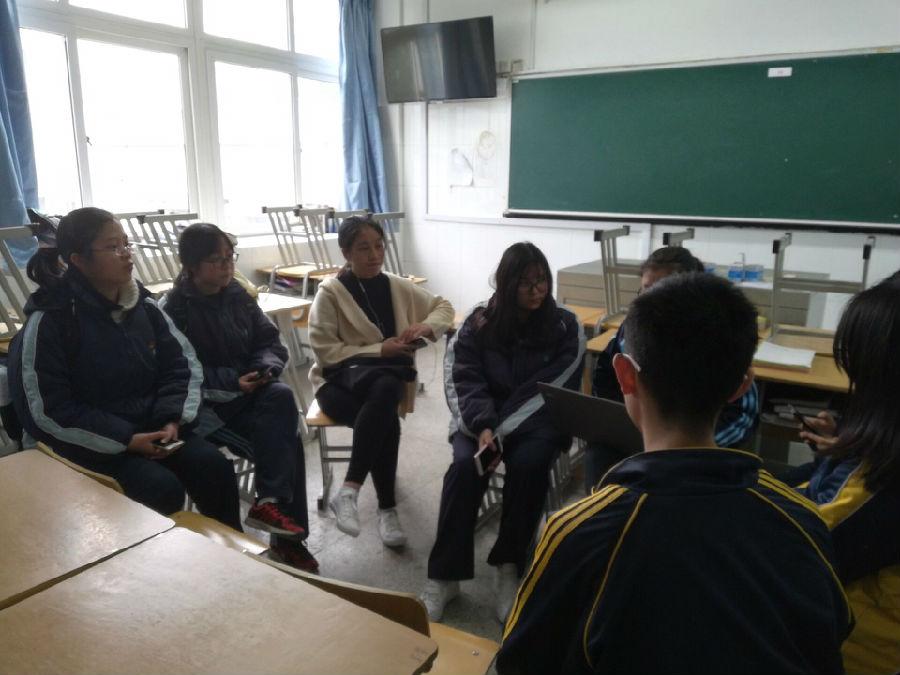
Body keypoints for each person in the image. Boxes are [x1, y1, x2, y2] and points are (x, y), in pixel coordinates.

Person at [496, 272, 851, 674]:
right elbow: (829, 639)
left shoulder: (576, 532)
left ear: (625, 376)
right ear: (741, 386)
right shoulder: (802, 518)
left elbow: (518, 663)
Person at [7, 207, 241, 529]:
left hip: (152, 428)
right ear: (78, 260)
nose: (127, 254)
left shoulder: (144, 307)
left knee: (214, 468)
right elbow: (46, 412)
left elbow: (182, 367)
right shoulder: (51, 321)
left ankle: (228, 554)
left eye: (127, 244)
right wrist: (127, 439)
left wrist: (170, 419)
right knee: (160, 489)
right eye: (113, 247)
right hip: (83, 444)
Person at [421, 242, 585, 624]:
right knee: (464, 469)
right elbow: (462, 378)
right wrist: (483, 426)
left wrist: (501, 430)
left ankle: (508, 566)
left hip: (538, 421)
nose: (536, 290)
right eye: (525, 283)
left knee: (529, 466)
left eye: (542, 280)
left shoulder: (565, 324)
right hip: (479, 421)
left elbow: (551, 386)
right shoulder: (478, 322)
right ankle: (444, 576)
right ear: (505, 283)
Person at [160, 223, 318, 572]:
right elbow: (182, 374)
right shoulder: (174, 310)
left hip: (248, 394)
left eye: (230, 257)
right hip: (210, 411)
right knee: (288, 445)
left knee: (280, 394)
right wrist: (233, 382)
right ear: (192, 265)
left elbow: (270, 342)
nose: (227, 266)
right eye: (217, 261)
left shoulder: (237, 295)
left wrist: (263, 370)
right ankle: (286, 538)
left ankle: (270, 504)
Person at [308, 214, 454, 547]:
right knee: (386, 407)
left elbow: (443, 307)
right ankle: (386, 509)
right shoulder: (330, 293)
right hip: (336, 384)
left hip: (381, 386)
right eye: (364, 248)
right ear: (346, 253)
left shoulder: (395, 285)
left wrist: (427, 326)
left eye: (379, 246)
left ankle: (350, 492)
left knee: (385, 393)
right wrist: (380, 350)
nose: (374, 255)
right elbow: (325, 352)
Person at [786, 270, 899, 675]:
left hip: (856, 656)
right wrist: (839, 452)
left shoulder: (879, 482)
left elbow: (797, 549)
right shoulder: (879, 457)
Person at [584, 246, 759, 490]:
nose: (649, 299)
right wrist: (614, 423)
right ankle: (601, 502)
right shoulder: (633, 328)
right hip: (641, 434)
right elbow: (605, 374)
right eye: (645, 289)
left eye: (660, 290)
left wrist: (693, 445)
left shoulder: (715, 336)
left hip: (697, 449)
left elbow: (741, 413)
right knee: (599, 455)